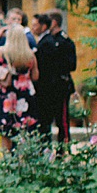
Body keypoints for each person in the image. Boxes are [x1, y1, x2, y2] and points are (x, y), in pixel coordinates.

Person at [0, 23, 40, 154]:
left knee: (5, 131)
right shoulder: (30, 55)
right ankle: (21, 161)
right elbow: (35, 76)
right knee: (23, 130)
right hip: (24, 96)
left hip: (5, 96)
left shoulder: (2, 52)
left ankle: (6, 163)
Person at [33, 10, 78, 145]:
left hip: (60, 85)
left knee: (62, 119)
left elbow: (71, 64)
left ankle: (63, 148)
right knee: (46, 118)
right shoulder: (48, 41)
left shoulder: (64, 41)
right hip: (49, 86)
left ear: (53, 22)